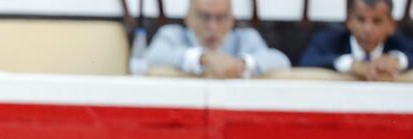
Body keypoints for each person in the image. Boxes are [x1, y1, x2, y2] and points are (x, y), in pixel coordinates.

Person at [145, 0, 290, 78]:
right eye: (204, 16)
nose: (212, 26)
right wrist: (203, 57)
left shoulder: (246, 39)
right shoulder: (173, 35)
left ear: (232, 20)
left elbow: (280, 60)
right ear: (188, 17)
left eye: (220, 17)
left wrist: (241, 64)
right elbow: (152, 57)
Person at [299, 0, 413, 80]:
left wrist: (398, 60)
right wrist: (350, 64)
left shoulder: (399, 44)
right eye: (361, 19)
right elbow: (308, 60)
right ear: (348, 21)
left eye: (377, 21)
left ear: (392, 25)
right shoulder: (328, 41)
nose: (368, 29)